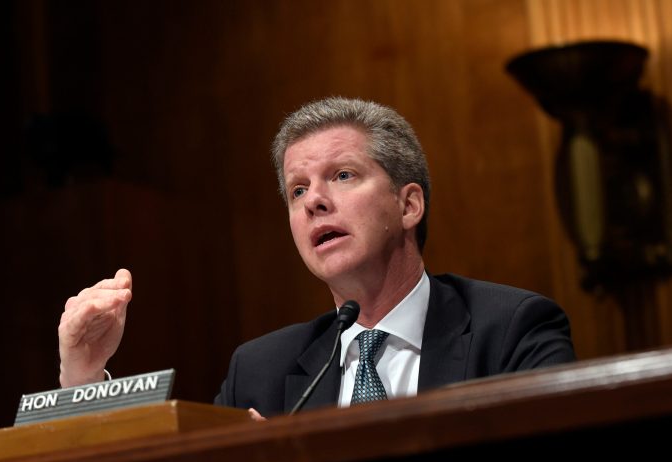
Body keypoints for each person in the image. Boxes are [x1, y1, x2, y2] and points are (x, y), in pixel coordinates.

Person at [58, 97, 576, 419]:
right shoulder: (259, 372)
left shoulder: (512, 331)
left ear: (408, 205)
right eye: (297, 190)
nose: (314, 202)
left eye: (343, 175)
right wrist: (84, 377)